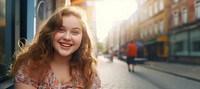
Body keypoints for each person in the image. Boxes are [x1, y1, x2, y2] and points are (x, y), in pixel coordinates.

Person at [10, 6, 101, 89]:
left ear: (83, 38)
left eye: (75, 32)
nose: (67, 37)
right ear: (50, 32)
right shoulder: (30, 65)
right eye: (61, 30)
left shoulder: (88, 71)